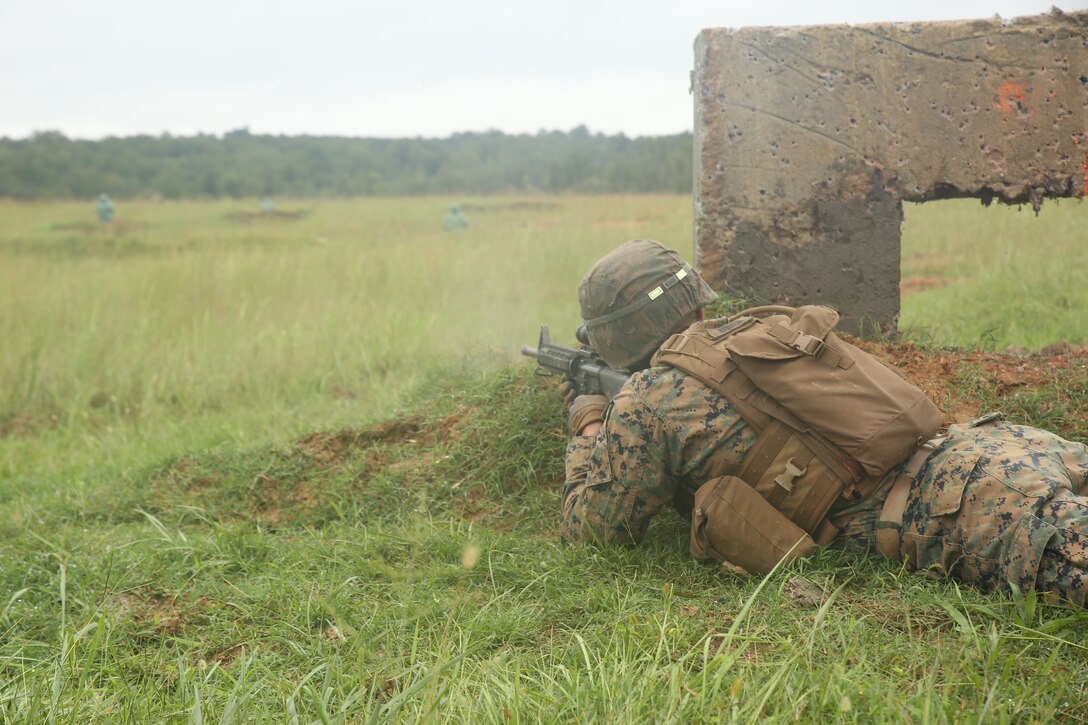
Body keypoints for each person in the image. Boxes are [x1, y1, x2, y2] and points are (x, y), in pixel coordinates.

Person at [561, 239, 1088, 606]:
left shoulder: (647, 401)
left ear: (616, 338)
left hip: (964, 510)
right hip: (1002, 446)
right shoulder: (759, 328)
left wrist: (590, 427)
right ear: (695, 302)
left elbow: (595, 536)